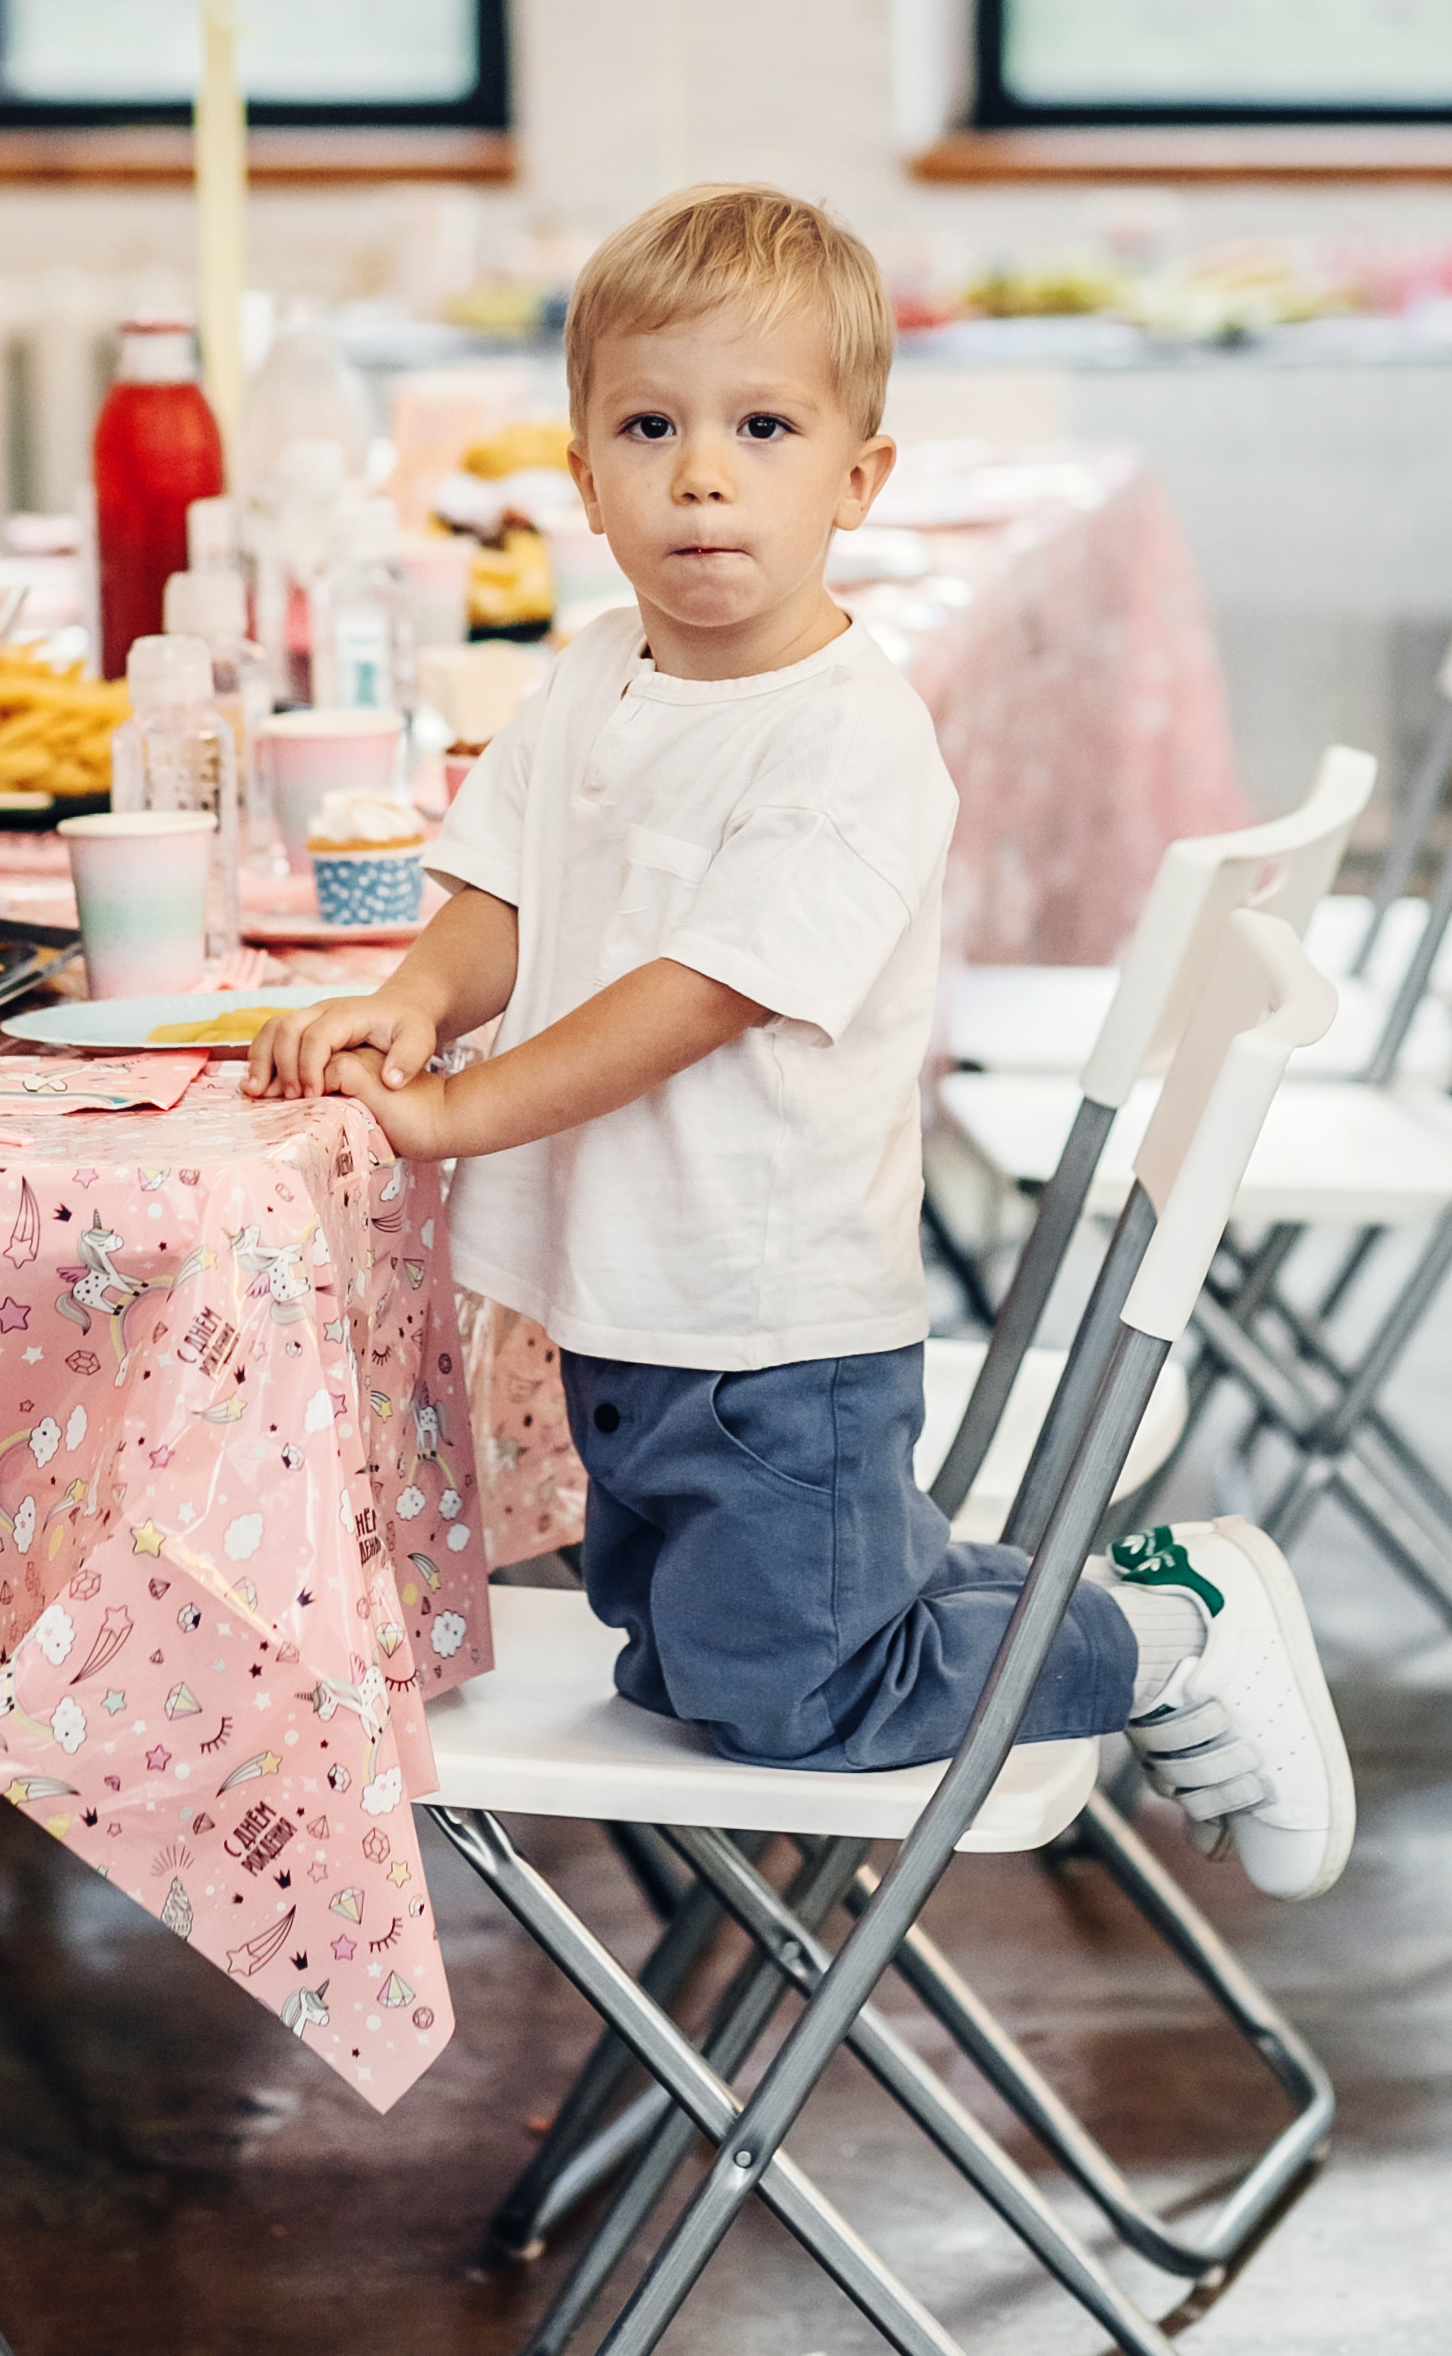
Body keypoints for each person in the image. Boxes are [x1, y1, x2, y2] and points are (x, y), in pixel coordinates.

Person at [246, 184, 1354, 1896]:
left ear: (857, 480)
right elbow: (504, 887)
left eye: (762, 427)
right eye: (652, 425)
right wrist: (415, 996)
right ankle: (1146, 1591)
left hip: (769, 1320)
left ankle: (1171, 1637)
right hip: (625, 1293)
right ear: (584, 471)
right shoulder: (599, 667)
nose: (703, 473)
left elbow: (699, 992)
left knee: (804, 1692)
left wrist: (461, 1111)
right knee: (679, 1653)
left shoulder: (852, 738)